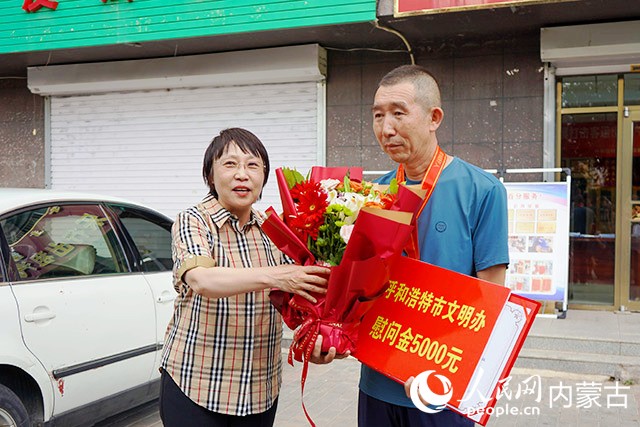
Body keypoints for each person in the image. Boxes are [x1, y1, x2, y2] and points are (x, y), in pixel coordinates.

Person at [359, 65, 510, 426]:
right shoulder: (371, 195)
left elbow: (491, 296)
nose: (386, 128)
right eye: (378, 116)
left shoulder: (482, 190)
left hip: (442, 384)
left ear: (434, 118)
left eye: (398, 113)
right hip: (377, 380)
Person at [159, 127, 331, 427]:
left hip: (259, 391)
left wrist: (320, 337)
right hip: (196, 386)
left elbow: (299, 294)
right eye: (230, 164)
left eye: (253, 165)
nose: (242, 174)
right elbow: (202, 280)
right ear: (210, 176)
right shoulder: (193, 220)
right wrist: (277, 276)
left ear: (263, 177)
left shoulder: (274, 229)